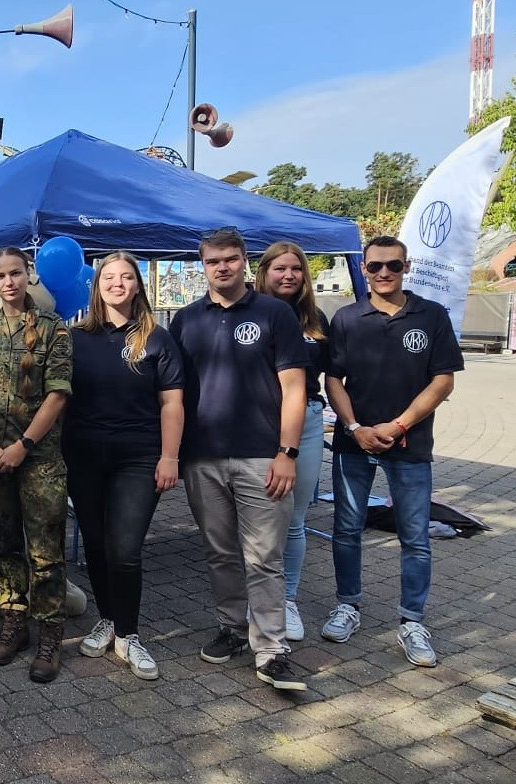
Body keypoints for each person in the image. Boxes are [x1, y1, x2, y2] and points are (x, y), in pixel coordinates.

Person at [169, 226, 309, 691]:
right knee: (220, 553)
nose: (222, 267)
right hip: (202, 458)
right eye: (213, 261)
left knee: (264, 557)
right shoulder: (185, 320)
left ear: (245, 261)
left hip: (262, 458)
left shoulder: (274, 314)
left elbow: (294, 388)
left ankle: (271, 649)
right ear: (202, 265)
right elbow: (174, 395)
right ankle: (232, 628)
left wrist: (287, 452)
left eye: (230, 259)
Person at [321, 235, 464, 667]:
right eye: (376, 266)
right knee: (347, 529)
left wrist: (398, 425)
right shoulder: (346, 319)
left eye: (394, 266)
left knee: (415, 537)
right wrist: (355, 427)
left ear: (407, 268)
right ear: (363, 269)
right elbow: (333, 380)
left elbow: (443, 381)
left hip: (411, 445)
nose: (384, 273)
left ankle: (411, 621)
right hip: (354, 443)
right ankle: (348, 605)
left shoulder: (431, 316)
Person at [66, 252, 184, 681]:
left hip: (139, 456)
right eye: (109, 277)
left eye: (126, 277)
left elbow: (172, 402)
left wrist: (169, 456)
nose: (117, 284)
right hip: (84, 454)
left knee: (125, 549)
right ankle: (108, 620)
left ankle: (129, 634)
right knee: (96, 545)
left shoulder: (157, 338)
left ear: (138, 285)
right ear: (97, 286)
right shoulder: (76, 337)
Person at [0, 246, 73, 683]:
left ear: (29, 276)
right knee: (2, 542)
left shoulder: (53, 330)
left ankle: (49, 633)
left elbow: (58, 394)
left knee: (45, 550)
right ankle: (14, 623)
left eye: (16, 273)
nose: (8, 282)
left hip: (38, 457)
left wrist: (22, 445)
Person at [253, 241, 329, 642]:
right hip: (258, 421)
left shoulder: (315, 319)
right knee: (256, 521)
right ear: (264, 272)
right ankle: (256, 600)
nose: (288, 275)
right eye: (279, 268)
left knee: (294, 519)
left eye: (295, 269)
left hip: (307, 422)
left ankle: (288, 600)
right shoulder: (248, 312)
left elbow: (330, 376)